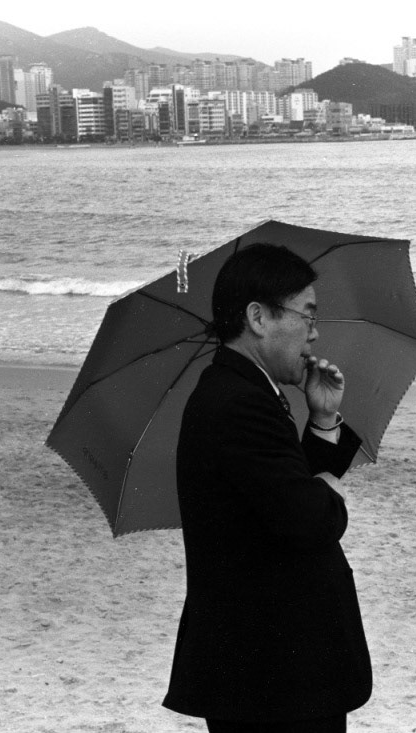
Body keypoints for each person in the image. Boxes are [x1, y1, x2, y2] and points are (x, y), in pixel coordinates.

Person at [163, 243, 372, 732]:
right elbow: (311, 520)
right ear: (258, 318)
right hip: (271, 679)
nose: (314, 332)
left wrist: (322, 420)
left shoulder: (244, 391)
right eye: (306, 315)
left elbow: (280, 497)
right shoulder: (238, 402)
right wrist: (327, 491)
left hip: (271, 672)